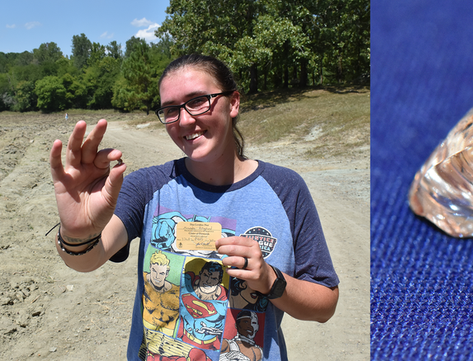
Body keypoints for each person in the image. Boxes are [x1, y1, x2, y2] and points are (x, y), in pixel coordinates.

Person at [49, 53, 340, 361]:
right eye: (171, 110)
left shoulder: (285, 189)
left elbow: (325, 304)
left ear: (234, 103)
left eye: (199, 100)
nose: (185, 120)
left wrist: (270, 280)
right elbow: (86, 260)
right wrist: (76, 232)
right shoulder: (147, 187)